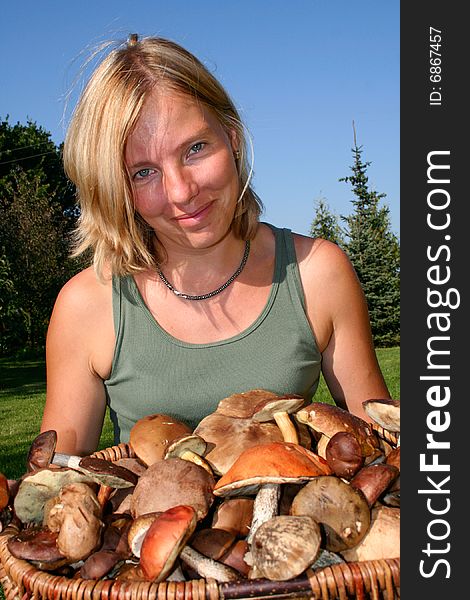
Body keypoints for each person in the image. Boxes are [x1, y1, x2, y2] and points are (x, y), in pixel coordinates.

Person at [40, 35, 391, 456]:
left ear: (233, 137)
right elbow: (54, 485)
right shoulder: (86, 306)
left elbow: (383, 449)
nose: (182, 191)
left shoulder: (317, 273)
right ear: (116, 189)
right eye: (143, 172)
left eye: (195, 148)